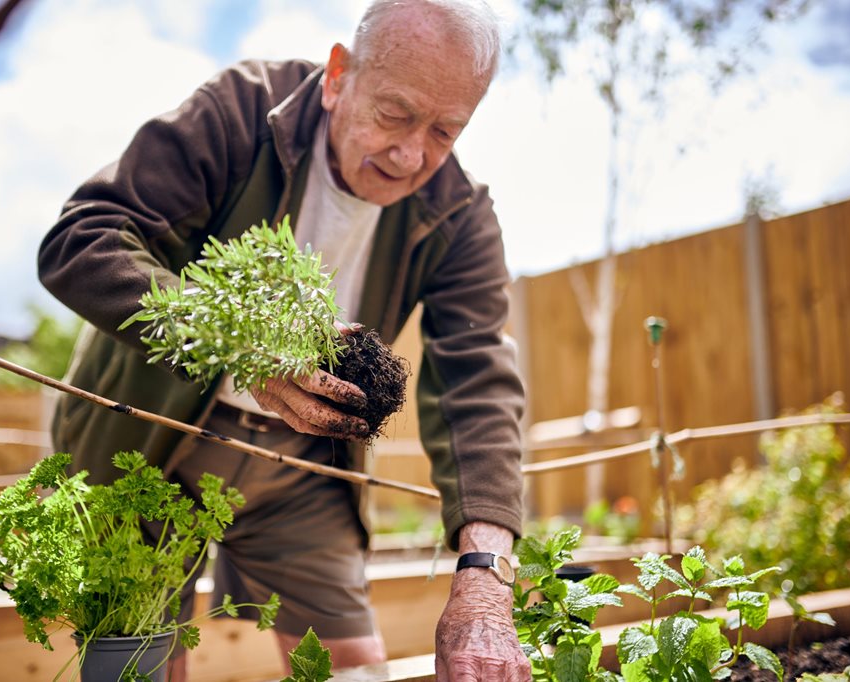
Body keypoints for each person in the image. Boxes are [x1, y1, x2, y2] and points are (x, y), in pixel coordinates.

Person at [38, 0, 529, 679]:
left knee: (353, 666)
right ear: (337, 77)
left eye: (446, 130)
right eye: (395, 113)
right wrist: (243, 344)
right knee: (142, 660)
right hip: (152, 441)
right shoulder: (242, 115)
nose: (413, 153)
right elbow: (82, 240)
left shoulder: (458, 213)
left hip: (301, 466)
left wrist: (484, 573)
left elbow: (480, 386)